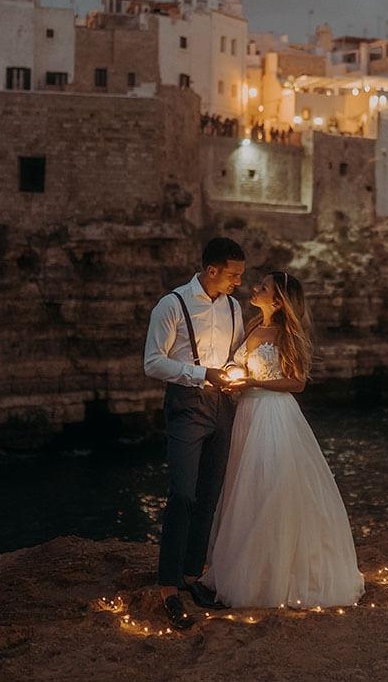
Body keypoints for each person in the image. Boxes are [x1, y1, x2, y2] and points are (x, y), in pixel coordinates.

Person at [203, 271, 365, 608]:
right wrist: (233, 379)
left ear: (278, 301)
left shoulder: (286, 335)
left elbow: (297, 383)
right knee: (244, 489)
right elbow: (241, 365)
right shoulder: (250, 326)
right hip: (246, 415)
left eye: (263, 287)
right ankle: (244, 570)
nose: (255, 288)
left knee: (270, 488)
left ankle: (273, 578)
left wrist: (253, 385)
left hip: (273, 416)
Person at [143, 237, 246, 630]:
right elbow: (153, 362)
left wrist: (237, 373)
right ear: (212, 270)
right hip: (187, 405)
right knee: (182, 492)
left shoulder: (234, 307)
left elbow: (236, 352)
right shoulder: (172, 305)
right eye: (234, 274)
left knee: (208, 495)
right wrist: (202, 374)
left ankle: (191, 576)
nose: (239, 281)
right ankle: (168, 587)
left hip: (223, 407)